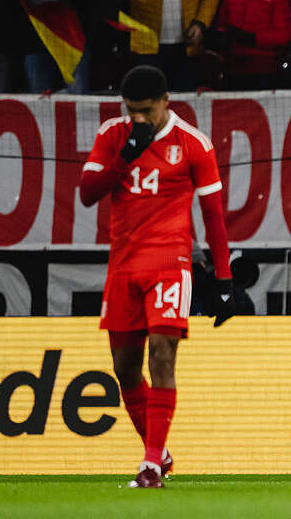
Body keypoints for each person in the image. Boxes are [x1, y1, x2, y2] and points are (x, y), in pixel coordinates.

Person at [78, 64, 235, 489]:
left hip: (170, 261)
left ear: (167, 101)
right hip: (123, 265)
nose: (139, 119)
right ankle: (159, 450)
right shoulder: (114, 134)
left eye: (146, 110)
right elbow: (88, 193)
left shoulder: (193, 144)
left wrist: (223, 281)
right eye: (132, 110)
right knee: (125, 369)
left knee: (162, 356)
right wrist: (125, 155)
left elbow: (214, 219)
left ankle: (149, 465)